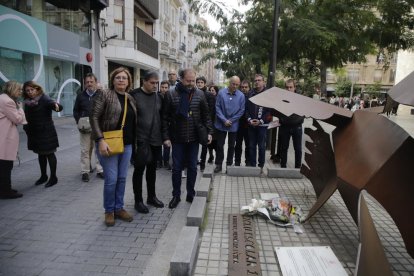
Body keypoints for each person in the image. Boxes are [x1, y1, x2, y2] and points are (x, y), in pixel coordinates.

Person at [90, 67, 137, 227]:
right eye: (118, 77)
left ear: (129, 81)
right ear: (113, 80)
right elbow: (94, 117)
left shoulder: (129, 98)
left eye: (124, 78)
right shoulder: (104, 94)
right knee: (111, 179)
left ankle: (119, 207)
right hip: (108, 142)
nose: (121, 80)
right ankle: (109, 210)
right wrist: (100, 140)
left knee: (122, 178)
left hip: (127, 144)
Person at [163, 68, 213, 209]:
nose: (191, 83)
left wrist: (209, 132)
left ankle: (190, 193)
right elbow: (165, 118)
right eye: (188, 81)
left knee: (192, 167)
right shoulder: (171, 94)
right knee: (177, 169)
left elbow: (206, 115)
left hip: (194, 138)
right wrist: (166, 137)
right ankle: (176, 195)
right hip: (177, 138)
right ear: (181, 79)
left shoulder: (199, 94)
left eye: (193, 81)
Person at [130, 72, 165, 214]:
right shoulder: (134, 95)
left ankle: (151, 197)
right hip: (140, 140)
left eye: (157, 83)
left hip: (156, 140)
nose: (155, 85)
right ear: (144, 81)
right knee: (139, 171)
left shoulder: (159, 97)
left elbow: (162, 118)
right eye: (152, 82)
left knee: (152, 171)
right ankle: (138, 200)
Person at [23, 81, 63, 188]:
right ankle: (43, 176)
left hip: (46, 132)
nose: (30, 92)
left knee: (50, 154)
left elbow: (56, 106)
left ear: (37, 89)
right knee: (40, 154)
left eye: (32, 89)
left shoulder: (44, 99)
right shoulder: (27, 101)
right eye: (28, 90)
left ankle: (53, 177)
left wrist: (56, 105)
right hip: (35, 133)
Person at [73, 73, 104, 182]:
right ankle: (85, 172)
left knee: (98, 150)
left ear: (96, 82)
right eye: (87, 82)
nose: (89, 84)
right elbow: (75, 110)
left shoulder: (101, 94)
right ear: (84, 83)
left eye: (91, 82)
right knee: (85, 150)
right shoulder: (80, 95)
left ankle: (100, 170)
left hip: (98, 127)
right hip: (85, 127)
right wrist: (79, 121)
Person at [0, 81, 27, 199]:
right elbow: (17, 119)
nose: (21, 92)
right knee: (6, 165)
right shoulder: (8, 101)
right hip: (5, 138)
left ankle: (5, 189)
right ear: (12, 89)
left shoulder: (2, 98)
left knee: (4, 165)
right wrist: (20, 109)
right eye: (19, 89)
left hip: (3, 136)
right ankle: (6, 191)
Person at [214, 76, 245, 173]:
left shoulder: (241, 96)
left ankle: (228, 164)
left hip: (233, 124)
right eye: (233, 84)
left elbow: (241, 110)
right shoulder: (221, 93)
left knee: (232, 145)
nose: (235, 86)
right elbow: (217, 107)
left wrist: (231, 120)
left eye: (237, 84)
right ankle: (218, 164)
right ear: (229, 83)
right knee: (219, 145)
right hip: (221, 124)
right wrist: (224, 120)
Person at [246, 74, 272, 169]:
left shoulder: (268, 94)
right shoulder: (250, 93)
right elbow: (246, 109)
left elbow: (269, 110)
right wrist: (249, 119)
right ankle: (253, 166)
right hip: (251, 125)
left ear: (263, 82)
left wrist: (260, 121)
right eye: (255, 80)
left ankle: (261, 166)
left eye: (259, 80)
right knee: (252, 146)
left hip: (262, 125)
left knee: (261, 146)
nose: (257, 82)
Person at [278, 79, 304, 169]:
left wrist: (297, 121)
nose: (289, 89)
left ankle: (298, 167)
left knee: (298, 148)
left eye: (290, 87)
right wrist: (282, 120)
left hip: (297, 127)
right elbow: (278, 111)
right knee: (284, 148)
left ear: (294, 88)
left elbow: (303, 112)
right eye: (287, 87)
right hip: (285, 127)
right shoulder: (281, 99)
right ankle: (283, 166)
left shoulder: (300, 99)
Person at [196, 76, 215, 171]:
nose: (199, 84)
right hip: (195, 123)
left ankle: (202, 164)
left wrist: (209, 126)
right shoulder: (193, 93)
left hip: (205, 124)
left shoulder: (209, 95)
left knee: (204, 145)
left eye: (201, 82)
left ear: (204, 83)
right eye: (198, 82)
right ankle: (194, 161)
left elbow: (211, 111)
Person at [234, 80, 250, 166]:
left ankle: (248, 162)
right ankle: (237, 162)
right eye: (242, 87)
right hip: (238, 124)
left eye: (246, 87)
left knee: (248, 144)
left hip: (248, 125)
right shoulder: (237, 96)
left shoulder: (251, 97)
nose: (244, 89)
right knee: (238, 145)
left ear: (249, 88)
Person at [159, 80, 171, 170]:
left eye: (166, 87)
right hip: (158, 123)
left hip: (167, 123)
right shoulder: (156, 97)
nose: (164, 89)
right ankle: (159, 161)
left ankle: (166, 161)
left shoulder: (171, 96)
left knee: (167, 143)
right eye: (162, 87)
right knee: (158, 143)